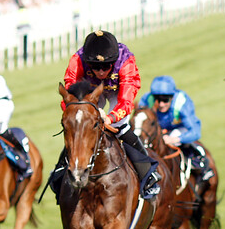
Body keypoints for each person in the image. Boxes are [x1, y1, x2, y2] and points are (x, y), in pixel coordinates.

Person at [58, 29, 159, 199]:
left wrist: (109, 118)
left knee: (119, 126)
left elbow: (126, 102)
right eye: (95, 67)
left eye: (106, 66)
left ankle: (148, 174)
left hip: (116, 92)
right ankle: (59, 173)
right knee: (80, 127)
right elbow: (69, 95)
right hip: (90, 93)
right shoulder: (77, 60)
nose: (101, 72)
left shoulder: (126, 63)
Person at [138, 75, 213, 183]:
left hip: (179, 130)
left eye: (165, 100)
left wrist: (175, 139)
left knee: (174, 134)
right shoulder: (146, 100)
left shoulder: (182, 104)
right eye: (157, 99)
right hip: (158, 129)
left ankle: (200, 164)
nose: (161, 104)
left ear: (172, 97)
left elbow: (195, 132)